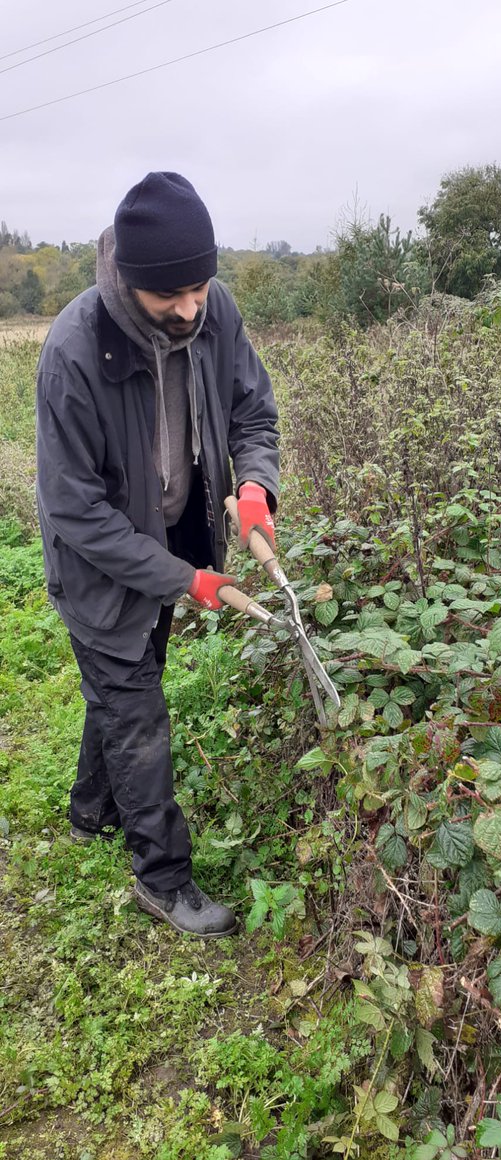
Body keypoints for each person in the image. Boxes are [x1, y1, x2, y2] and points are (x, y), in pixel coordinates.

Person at [36, 171, 279, 938]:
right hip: (98, 564)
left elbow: (250, 408)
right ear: (129, 283)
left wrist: (253, 492)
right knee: (137, 713)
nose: (190, 308)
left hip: (171, 530)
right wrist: (191, 582)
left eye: (200, 288)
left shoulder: (211, 308)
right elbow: (75, 509)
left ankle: (89, 812)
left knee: (127, 682)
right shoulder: (73, 353)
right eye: (170, 296)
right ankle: (163, 879)